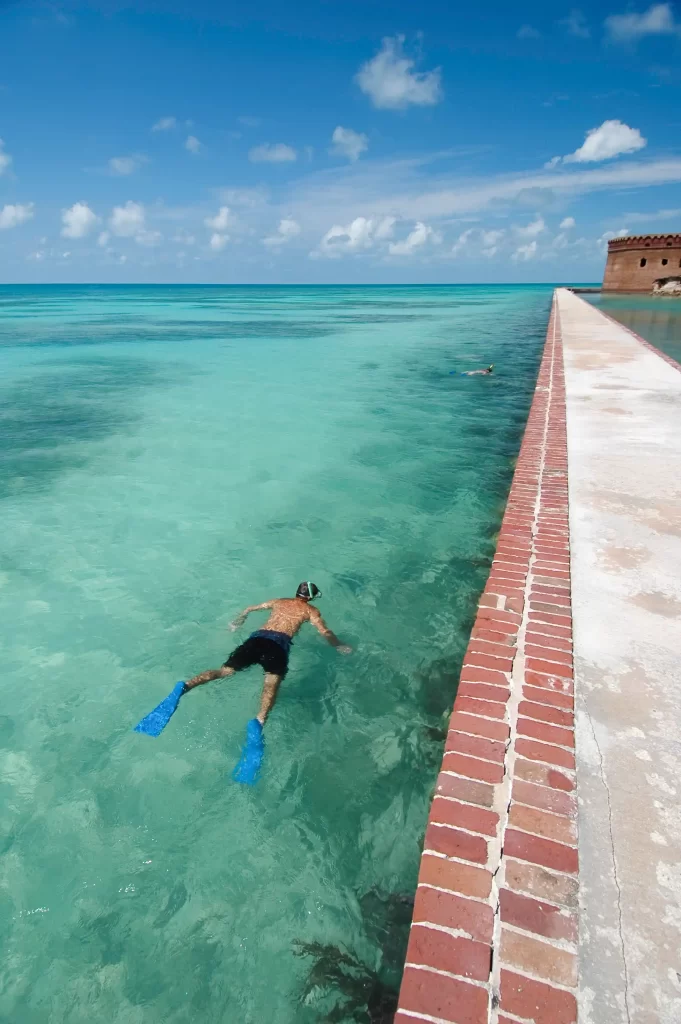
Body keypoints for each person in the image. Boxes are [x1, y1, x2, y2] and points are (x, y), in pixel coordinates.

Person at [183, 581, 351, 727]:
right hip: (278, 644)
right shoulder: (310, 610)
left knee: (224, 671)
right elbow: (324, 631)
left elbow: (249, 608)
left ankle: (186, 685)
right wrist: (338, 645)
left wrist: (237, 622)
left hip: (257, 638)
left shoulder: (279, 601)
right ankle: (260, 720)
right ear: (310, 598)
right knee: (271, 683)